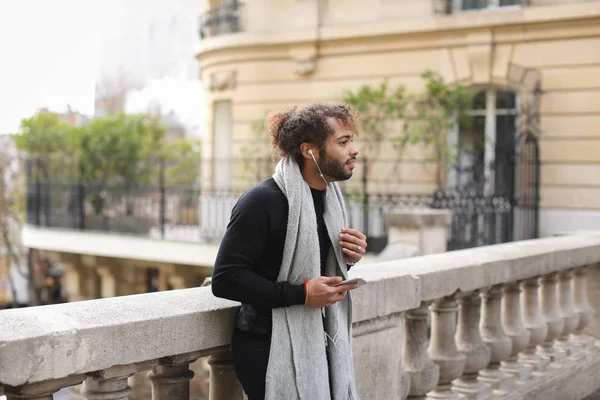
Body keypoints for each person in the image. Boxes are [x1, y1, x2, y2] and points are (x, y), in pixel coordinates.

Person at [211, 103, 367, 400]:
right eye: (344, 142)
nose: (354, 150)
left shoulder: (330, 200)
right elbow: (226, 278)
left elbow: (312, 267)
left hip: (319, 343)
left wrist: (348, 258)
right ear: (311, 151)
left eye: (351, 141)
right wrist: (303, 294)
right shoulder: (262, 201)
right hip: (267, 347)